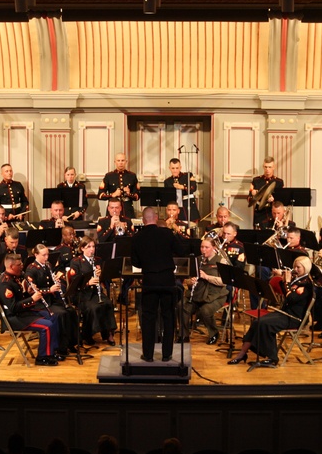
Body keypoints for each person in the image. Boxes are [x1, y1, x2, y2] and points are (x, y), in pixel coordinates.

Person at [229, 255, 313, 367]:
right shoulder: (298, 279)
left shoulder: (306, 284)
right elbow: (286, 294)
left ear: (306, 268)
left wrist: (287, 282)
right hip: (285, 313)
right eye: (294, 267)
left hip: (294, 318)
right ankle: (242, 353)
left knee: (265, 324)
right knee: (257, 321)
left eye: (298, 268)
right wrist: (283, 280)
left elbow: (291, 298)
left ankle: (272, 357)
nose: (295, 270)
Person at [132, 207, 189, 361]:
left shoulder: (137, 237)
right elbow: (181, 251)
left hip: (149, 280)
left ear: (144, 220)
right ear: (156, 218)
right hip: (167, 279)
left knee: (149, 317)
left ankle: (148, 355)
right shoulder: (166, 233)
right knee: (168, 316)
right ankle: (166, 354)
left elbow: (135, 262)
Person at [0, 253, 62, 365]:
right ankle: (42, 357)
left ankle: (51, 351)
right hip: (14, 318)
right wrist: (32, 299)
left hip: (23, 313)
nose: (22, 266)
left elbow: (20, 297)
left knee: (52, 316)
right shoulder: (5, 284)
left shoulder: (16, 277)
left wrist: (28, 292)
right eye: (19, 264)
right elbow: (13, 307)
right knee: (46, 326)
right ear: (12, 267)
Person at [27, 244, 80, 357]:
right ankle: (60, 347)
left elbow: (51, 282)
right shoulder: (31, 269)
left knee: (70, 311)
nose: (47, 257)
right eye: (44, 255)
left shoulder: (48, 266)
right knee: (60, 314)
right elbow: (32, 291)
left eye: (47, 254)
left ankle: (71, 343)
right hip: (40, 303)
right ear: (36, 255)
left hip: (51, 300)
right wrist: (49, 290)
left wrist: (57, 281)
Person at [67, 238, 117, 346]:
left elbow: (105, 278)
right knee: (93, 307)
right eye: (88, 247)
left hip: (95, 292)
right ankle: (87, 334)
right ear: (82, 248)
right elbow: (74, 282)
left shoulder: (98, 260)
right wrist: (88, 283)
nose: (92, 250)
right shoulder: (76, 262)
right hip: (81, 294)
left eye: (93, 246)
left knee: (108, 303)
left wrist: (101, 275)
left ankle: (108, 333)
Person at [181, 238, 230, 345]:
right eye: (202, 247)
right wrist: (191, 281)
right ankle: (184, 334)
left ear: (214, 248)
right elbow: (187, 280)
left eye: (206, 247)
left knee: (205, 310)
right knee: (182, 305)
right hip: (198, 293)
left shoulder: (221, 261)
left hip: (216, 295)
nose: (203, 250)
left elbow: (224, 282)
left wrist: (207, 277)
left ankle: (214, 333)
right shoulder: (197, 260)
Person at [98, 153, 140, 219]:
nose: (120, 163)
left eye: (122, 160)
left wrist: (129, 194)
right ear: (115, 162)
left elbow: (138, 196)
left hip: (127, 210)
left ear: (126, 162)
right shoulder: (109, 176)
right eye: (118, 160)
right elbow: (100, 195)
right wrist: (112, 195)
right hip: (113, 210)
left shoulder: (132, 176)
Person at [247, 156, 283, 229]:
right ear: (263, 167)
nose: (267, 169)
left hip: (273, 213)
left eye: (270, 167)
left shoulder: (279, 182)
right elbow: (249, 199)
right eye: (266, 167)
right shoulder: (256, 180)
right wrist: (254, 195)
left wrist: (273, 200)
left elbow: (281, 201)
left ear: (274, 167)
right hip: (259, 213)